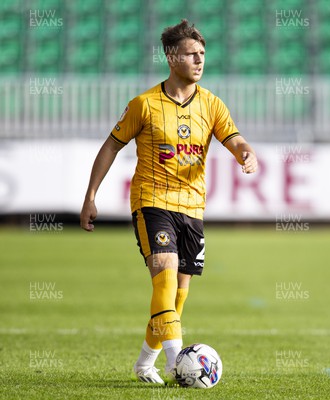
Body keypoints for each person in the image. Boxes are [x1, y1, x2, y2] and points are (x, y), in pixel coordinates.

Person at [79, 19, 258, 385]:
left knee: (177, 298)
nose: (199, 60)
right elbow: (111, 145)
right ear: (171, 56)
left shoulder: (212, 104)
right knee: (162, 280)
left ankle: (145, 363)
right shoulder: (143, 105)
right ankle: (180, 364)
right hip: (152, 201)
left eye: (203, 54)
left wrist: (246, 154)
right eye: (192, 54)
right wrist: (91, 196)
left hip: (192, 209)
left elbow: (235, 139)